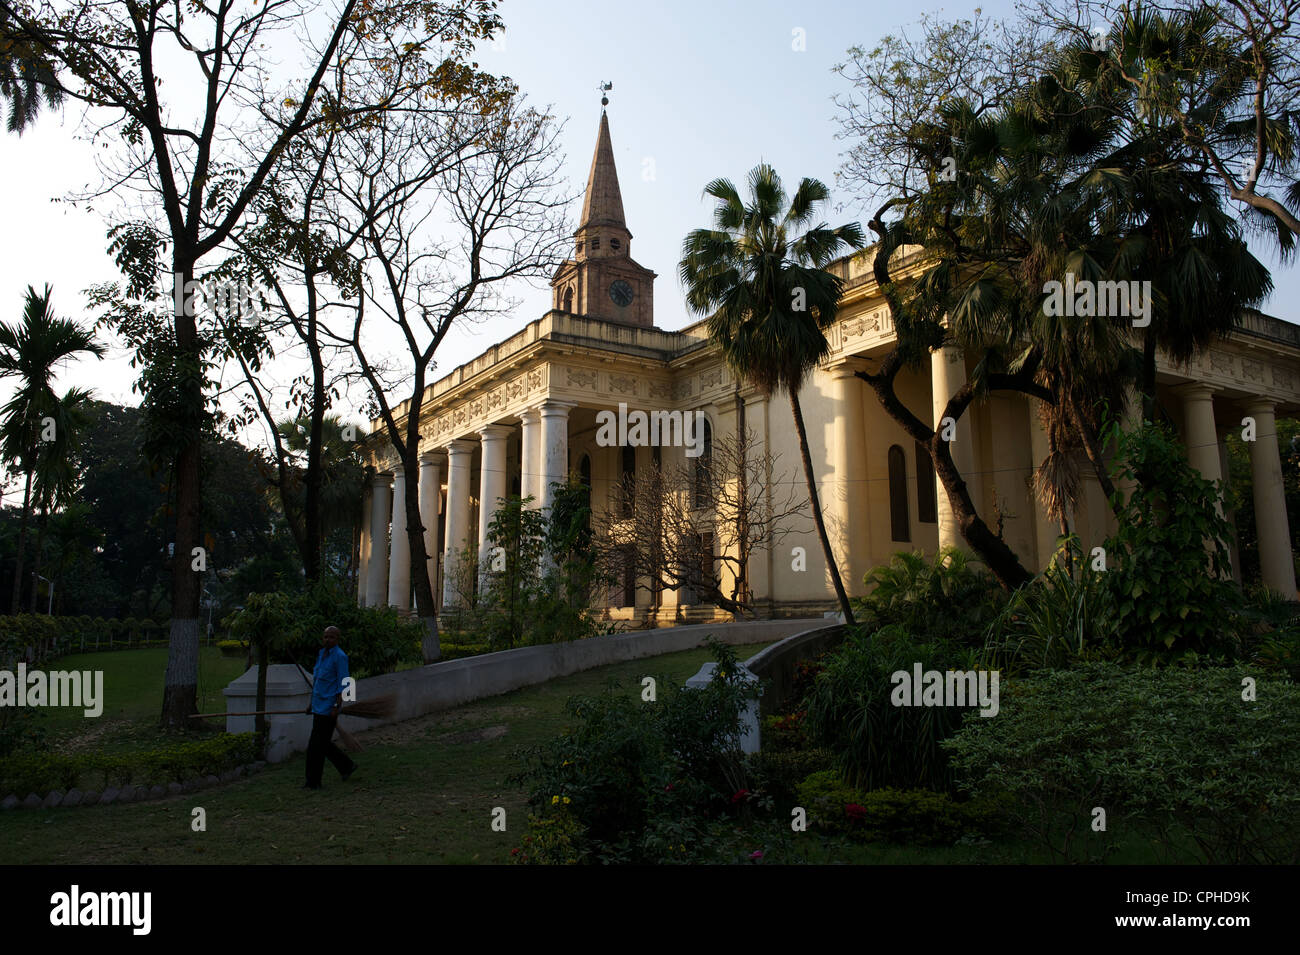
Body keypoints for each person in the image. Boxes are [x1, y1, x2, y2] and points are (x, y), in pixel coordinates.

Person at [304, 625, 356, 789]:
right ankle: (347, 766)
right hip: (318, 706)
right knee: (322, 743)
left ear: (337, 639)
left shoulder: (340, 657)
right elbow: (318, 683)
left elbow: (345, 684)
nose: (328, 640)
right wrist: (310, 704)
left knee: (315, 746)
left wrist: (336, 706)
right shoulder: (322, 655)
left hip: (328, 709)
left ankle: (313, 782)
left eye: (332, 637)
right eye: (326, 637)